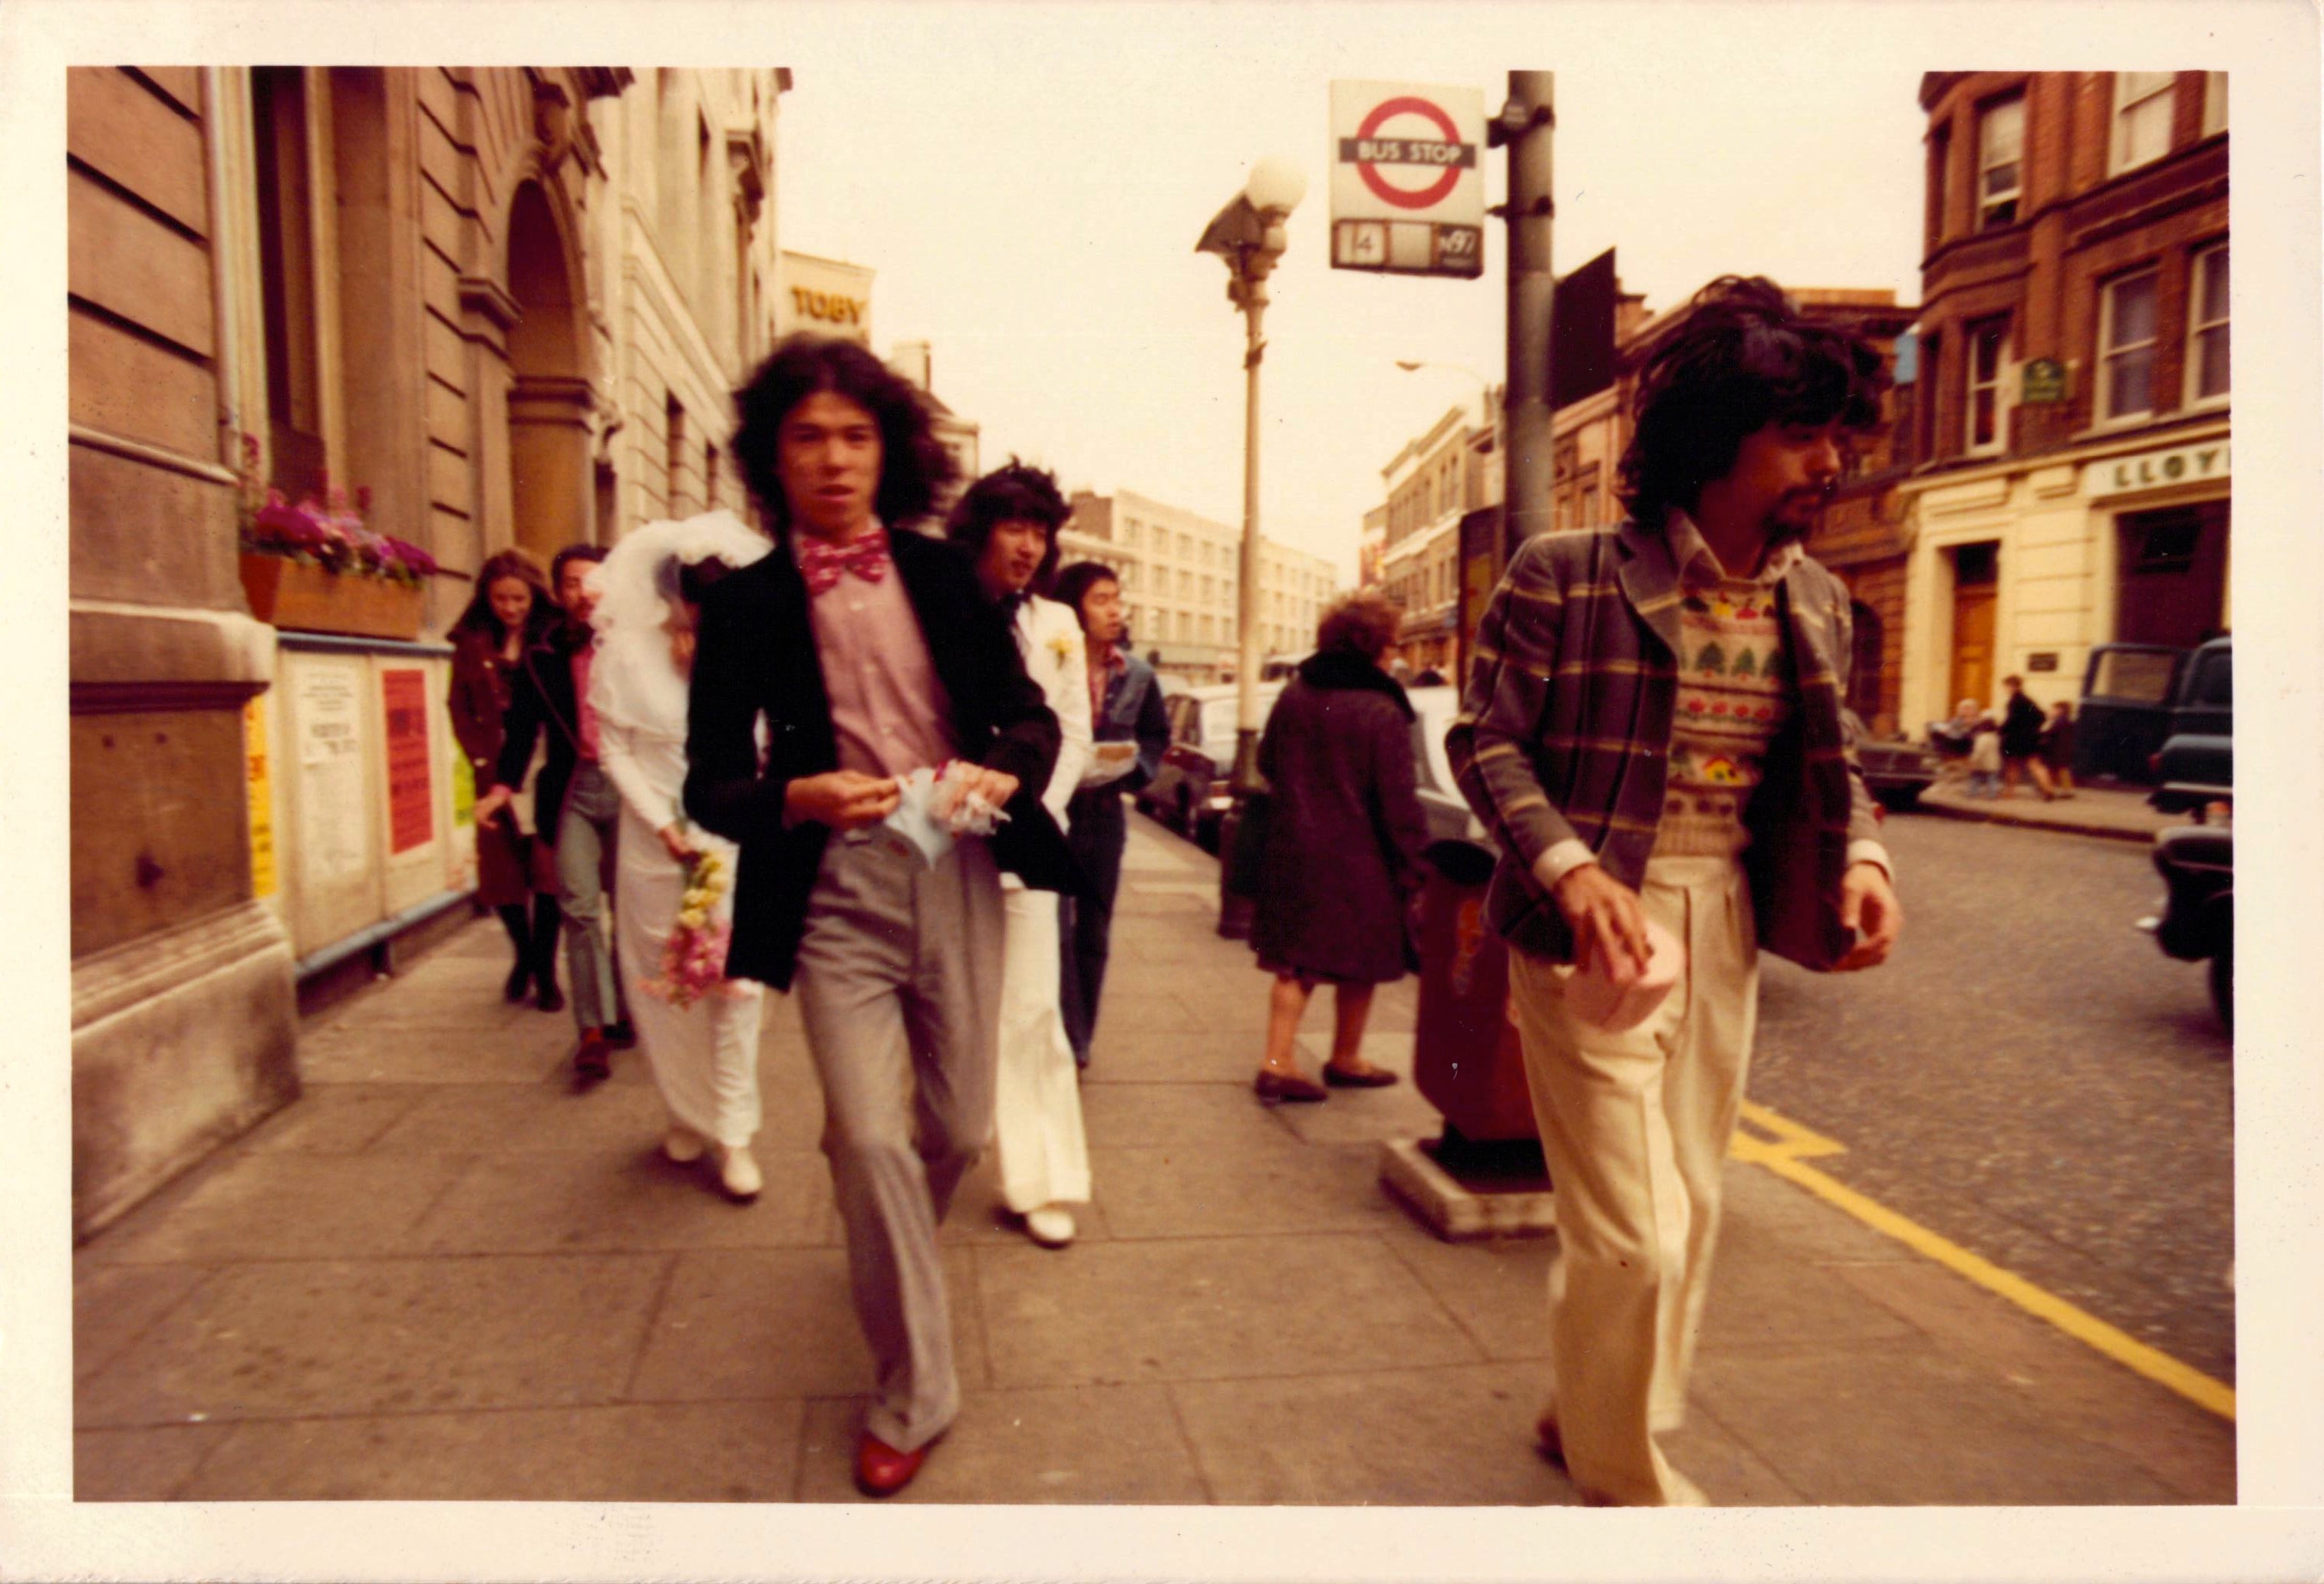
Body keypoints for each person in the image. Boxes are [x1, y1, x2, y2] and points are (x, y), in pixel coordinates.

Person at [1447, 276, 1903, 1507]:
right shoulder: (1566, 572)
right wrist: (1573, 867)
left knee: (1692, 1202)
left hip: (1726, 920)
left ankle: (1588, 1408)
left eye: (1835, 433)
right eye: (1802, 434)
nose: (1831, 459)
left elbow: (1834, 759)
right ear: (1716, 440)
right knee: (1634, 1226)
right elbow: (1486, 743)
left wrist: (1862, 857)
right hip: (1588, 925)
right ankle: (1622, 1472)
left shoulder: (1812, 599)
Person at [682, 334, 1073, 1498]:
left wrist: (1000, 767)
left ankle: (880, 1210)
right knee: (867, 1138)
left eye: (855, 437)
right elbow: (709, 783)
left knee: (954, 1131)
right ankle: (915, 1384)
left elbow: (1027, 716)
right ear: (772, 456)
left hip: (952, 873)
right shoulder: (744, 605)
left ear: (888, 451)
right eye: (808, 438)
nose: (834, 460)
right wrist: (790, 794)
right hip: (830, 892)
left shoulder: (944, 575)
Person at [583, 512, 774, 1201]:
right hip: (653, 840)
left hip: (727, 834)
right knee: (665, 988)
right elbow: (613, 749)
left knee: (736, 989)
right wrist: (662, 824)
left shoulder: (751, 654)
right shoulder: (628, 654)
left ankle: (734, 1132)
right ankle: (684, 1111)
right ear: (676, 598)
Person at [946, 463, 1094, 1249]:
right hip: (941, 837)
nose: (1029, 546)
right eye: (1014, 527)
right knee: (948, 1007)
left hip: (1028, 836)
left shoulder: (1058, 624)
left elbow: (1070, 730)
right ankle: (936, 1139)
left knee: (1034, 1009)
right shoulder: (944, 607)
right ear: (980, 529)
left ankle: (1038, 1178)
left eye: (1040, 531)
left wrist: (1038, 805)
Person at [1248, 591, 1430, 1103]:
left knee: (1294, 961)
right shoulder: (1381, 707)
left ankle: (1276, 1060)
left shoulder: (1296, 692)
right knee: (1364, 960)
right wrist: (1416, 863)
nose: (1396, 654)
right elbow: (1397, 798)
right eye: (1393, 644)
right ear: (1372, 645)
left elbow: (1266, 761)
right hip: (1360, 858)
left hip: (1293, 849)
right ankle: (1345, 1056)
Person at [473, 543, 634, 1083]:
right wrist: (501, 785)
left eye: (591, 581)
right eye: (569, 583)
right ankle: (592, 1029)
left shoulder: (639, 642)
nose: (581, 593)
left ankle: (624, 1009)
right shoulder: (542, 653)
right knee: (581, 909)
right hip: (571, 794)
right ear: (559, 591)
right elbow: (521, 731)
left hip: (633, 794)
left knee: (627, 912)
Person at [1050, 560, 1172, 1070]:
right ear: (1074, 607)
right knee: (1053, 930)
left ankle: (1081, 1040)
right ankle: (1060, 1032)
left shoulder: (1137, 674)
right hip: (1055, 811)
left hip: (1103, 814)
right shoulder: (1053, 663)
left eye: (1117, 599)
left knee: (1092, 932)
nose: (1114, 610)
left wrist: (1132, 767)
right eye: (1101, 600)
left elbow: (1154, 736)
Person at [447, 548, 565, 1009]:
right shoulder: (472, 640)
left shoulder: (553, 635)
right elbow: (459, 706)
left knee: (549, 872)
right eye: (501, 599)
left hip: (548, 768)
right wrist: (480, 759)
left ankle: (546, 969)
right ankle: (525, 956)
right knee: (502, 874)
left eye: (519, 599)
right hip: (497, 772)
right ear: (487, 598)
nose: (511, 608)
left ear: (534, 596)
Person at [1999, 674, 2058, 800]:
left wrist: (2000, 730)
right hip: (2031, 738)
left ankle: (2009, 792)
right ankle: (2049, 789)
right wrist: (2032, 728)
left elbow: (2011, 721)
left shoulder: (2014, 702)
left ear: (2012, 686)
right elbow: (2042, 716)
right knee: (2035, 765)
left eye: (2006, 686)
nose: (2005, 689)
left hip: (2016, 739)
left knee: (2012, 766)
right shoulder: (2028, 701)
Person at [2041, 699, 2078, 796]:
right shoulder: (2067, 720)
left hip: (2056, 750)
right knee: (2063, 770)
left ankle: (2050, 789)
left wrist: (2042, 732)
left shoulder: (2059, 721)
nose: (2051, 711)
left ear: (2060, 710)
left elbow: (2050, 733)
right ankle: (2067, 791)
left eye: (2053, 709)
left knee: (2053, 770)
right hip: (2064, 749)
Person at [1966, 709, 2003, 798]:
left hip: (1981, 764)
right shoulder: (1996, 738)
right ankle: (1992, 794)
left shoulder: (1981, 738)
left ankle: (1972, 792)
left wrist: (1972, 761)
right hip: (1994, 763)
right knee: (1992, 780)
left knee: (1975, 778)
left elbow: (1978, 752)